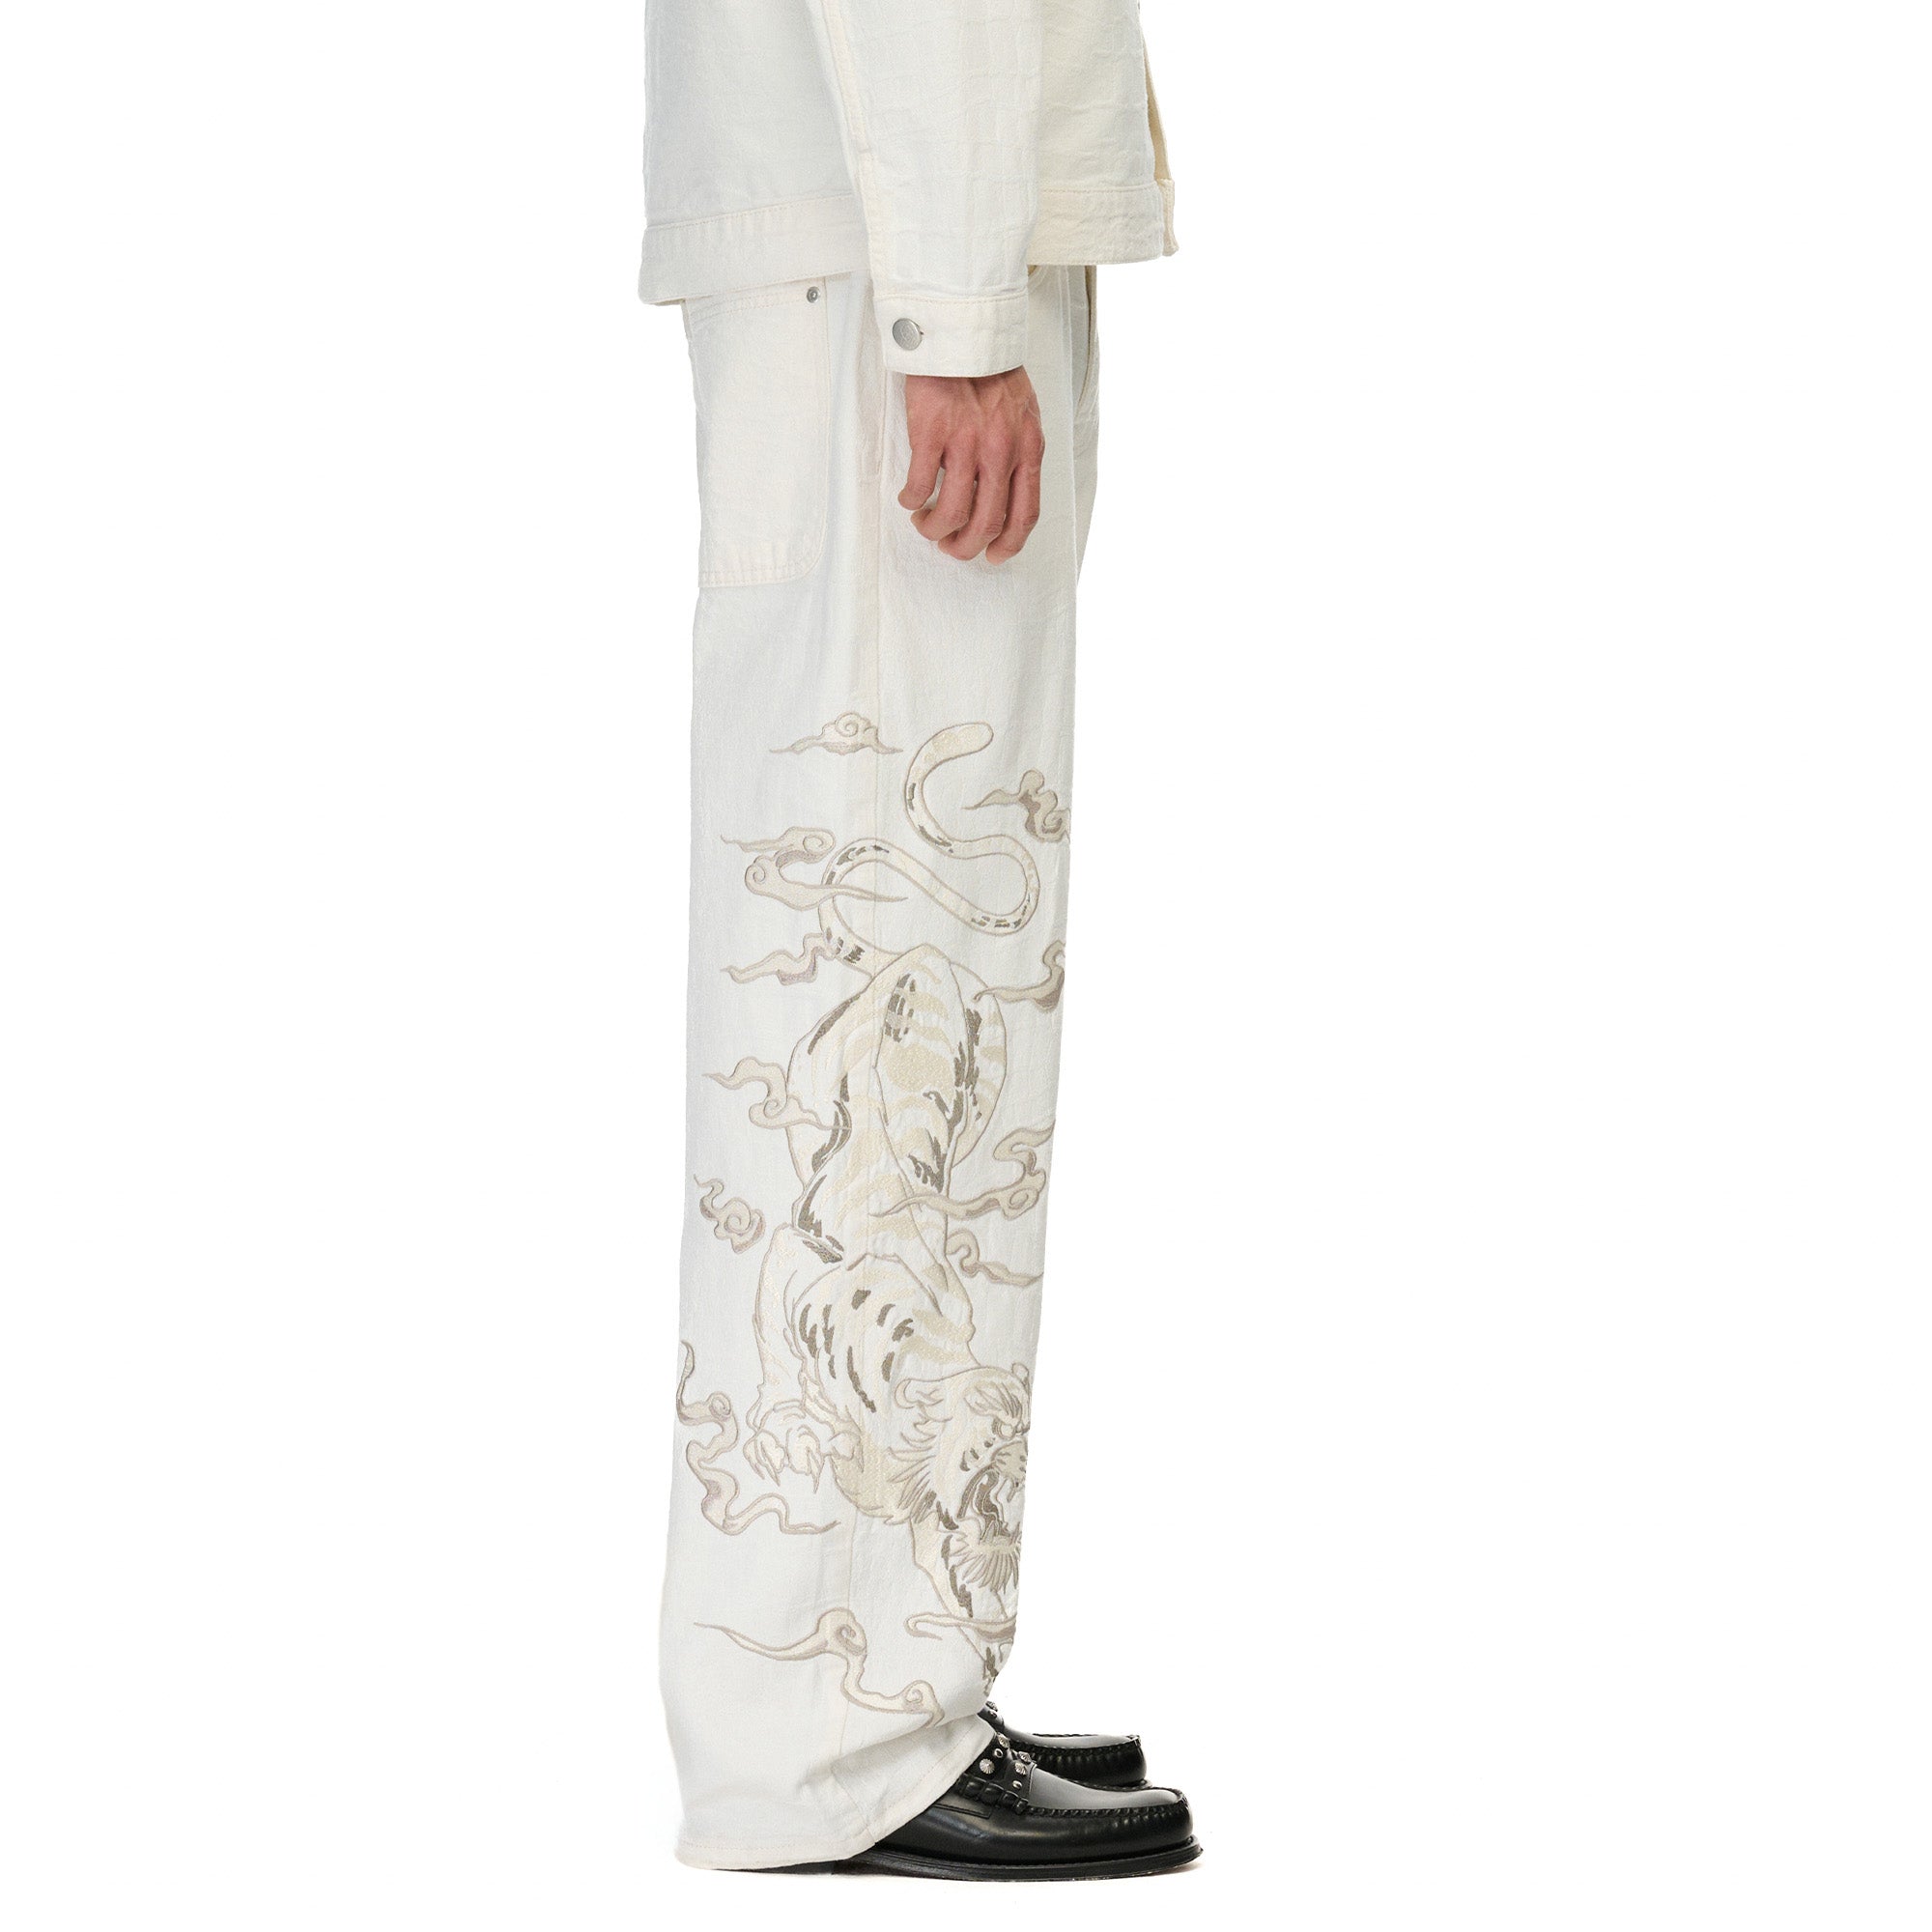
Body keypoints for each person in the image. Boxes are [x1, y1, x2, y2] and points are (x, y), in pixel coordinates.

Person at [641, 0, 1195, 1880]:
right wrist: (951, 316)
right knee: (887, 974)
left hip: (887, 233)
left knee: (907, 972)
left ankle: (884, 1671)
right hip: (898, 253)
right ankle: (831, 1735)